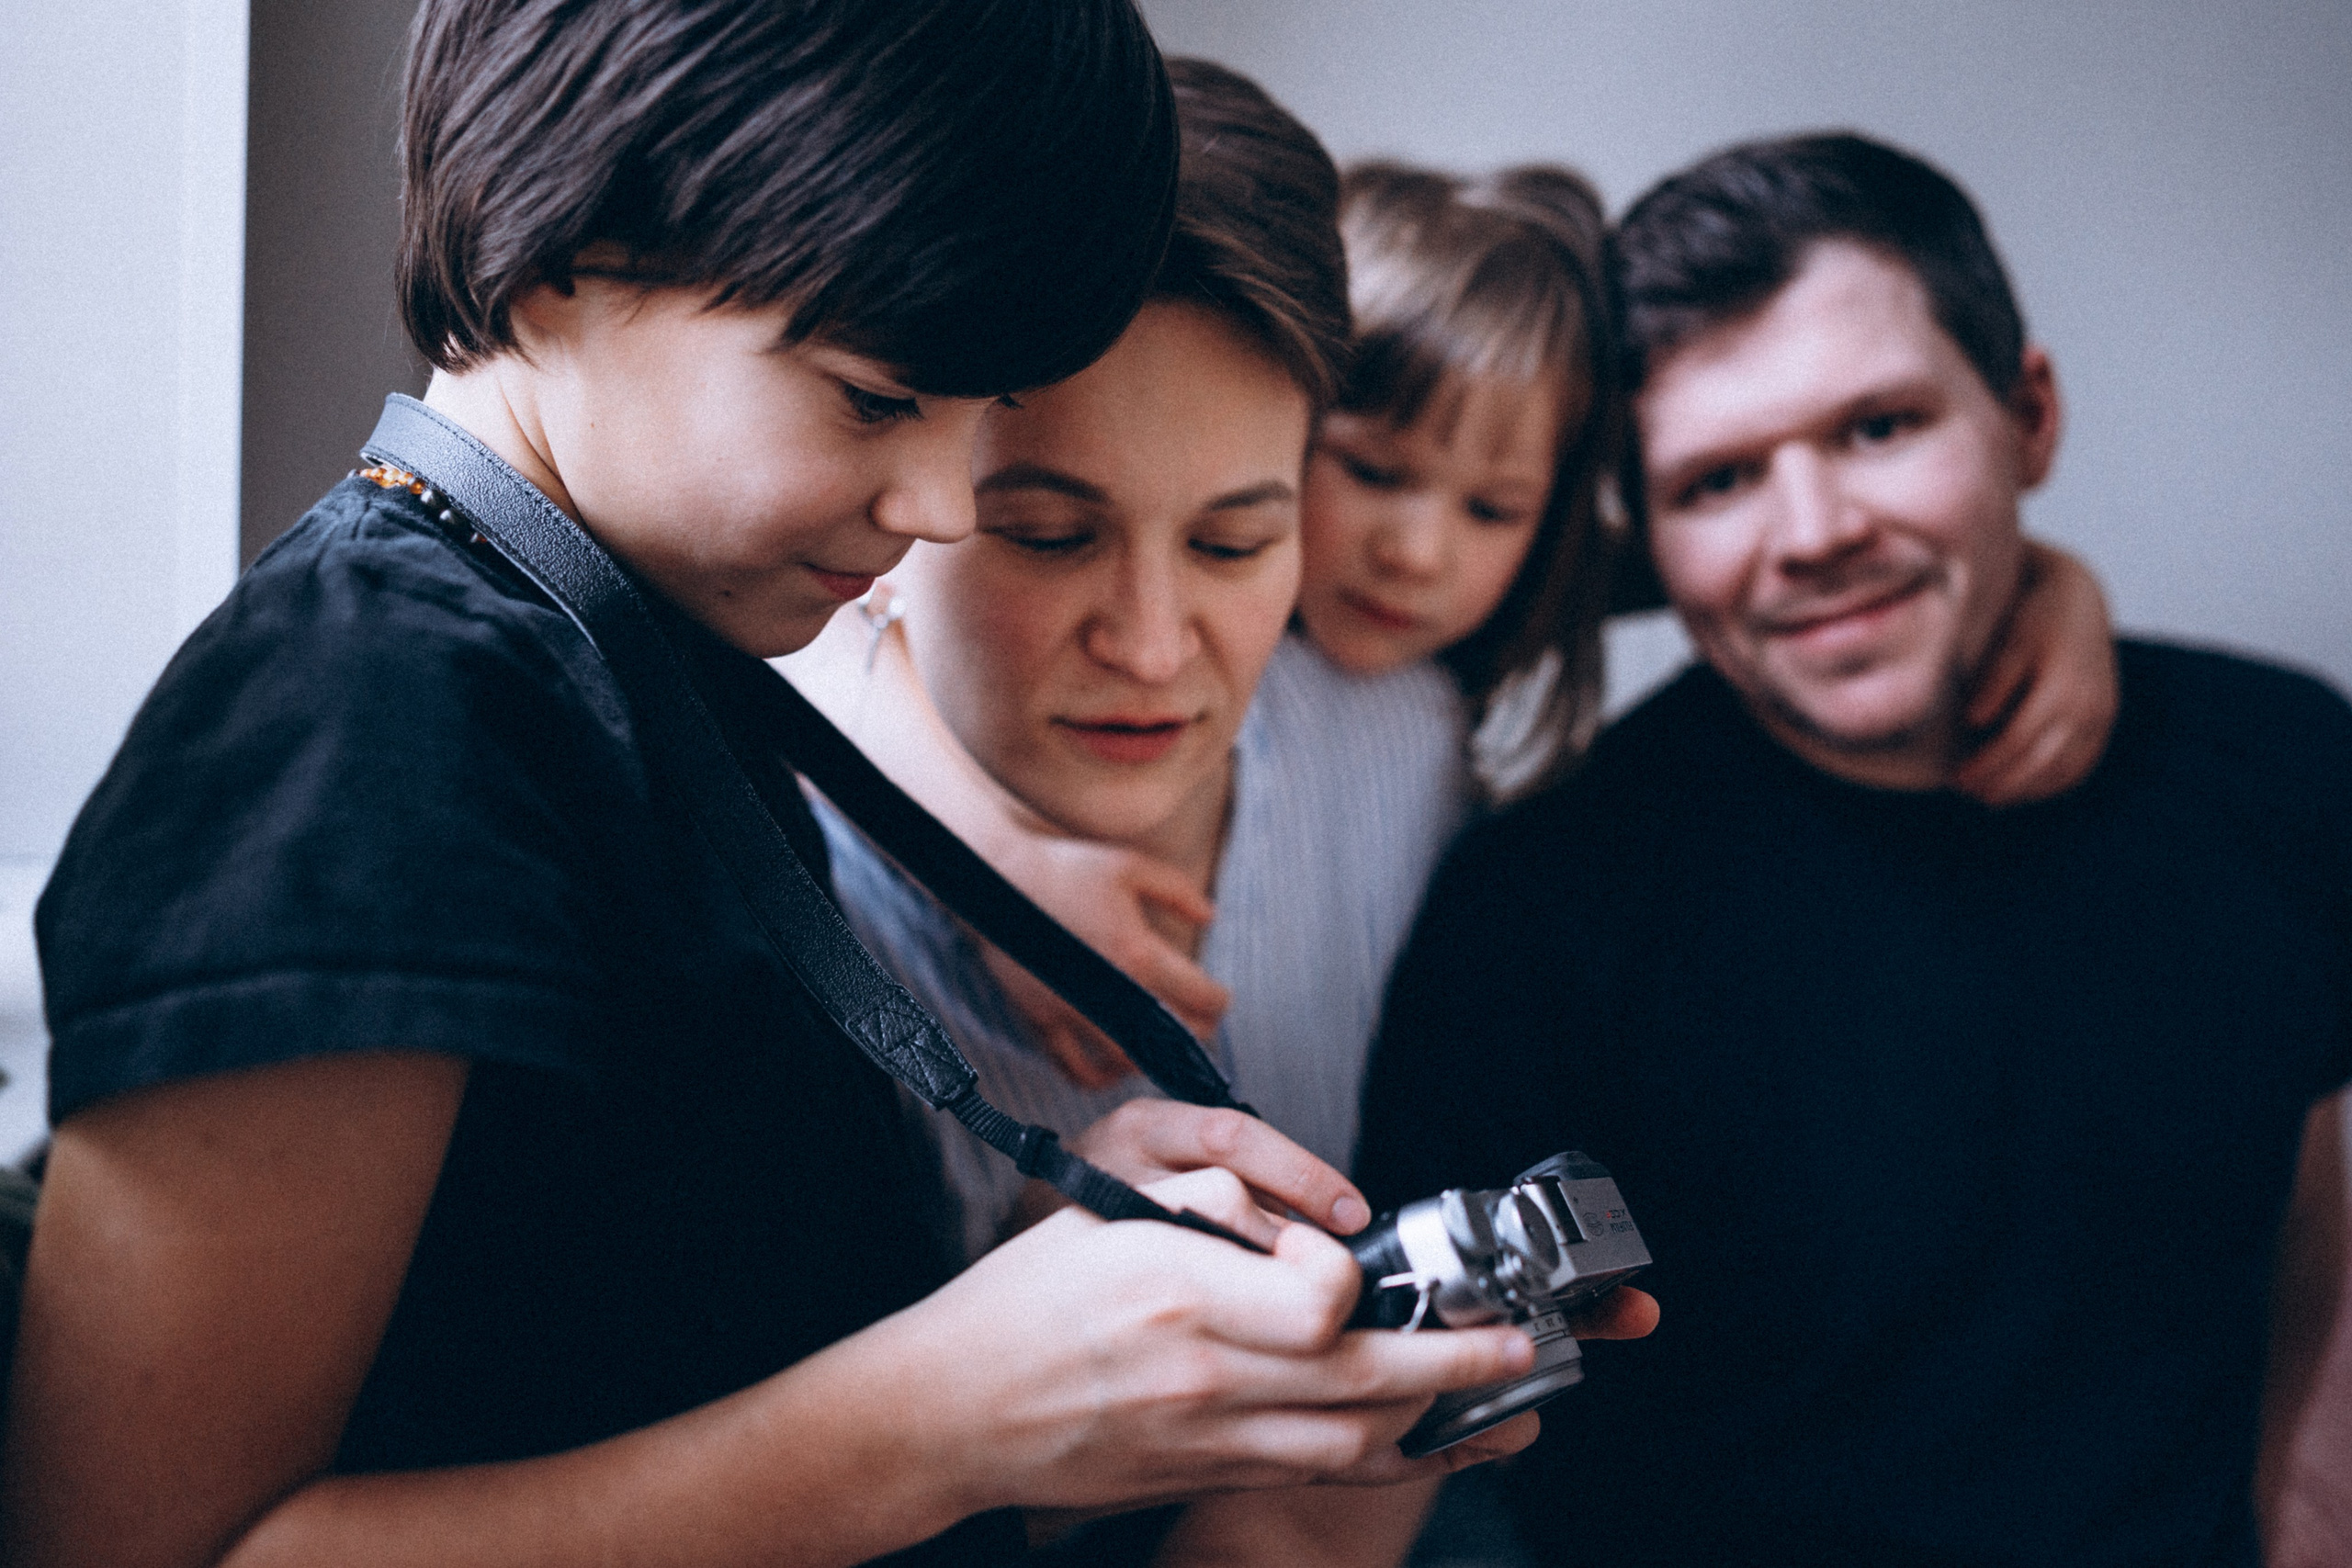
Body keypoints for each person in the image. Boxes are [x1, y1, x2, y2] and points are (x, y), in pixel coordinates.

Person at [1, 8, 1575, 1565]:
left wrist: (1043, 1282)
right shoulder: (354, 718)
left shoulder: (636, 653)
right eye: (879, 398)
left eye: (981, 414)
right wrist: (949, 1415)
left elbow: (627, 1347)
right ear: (558, 258)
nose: (941, 501)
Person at [1317, 132, 2352, 1567]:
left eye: (1878, 429)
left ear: (2029, 417)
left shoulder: (2279, 764)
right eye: (1716, 482)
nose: (1811, 533)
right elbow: (1351, 1496)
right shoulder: (1543, 914)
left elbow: (2308, 1185)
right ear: (1645, 536)